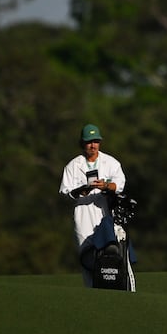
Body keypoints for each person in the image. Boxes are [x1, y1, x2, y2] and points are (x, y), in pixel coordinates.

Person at [59, 123, 128, 288]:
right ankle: (91, 290)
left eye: (96, 141)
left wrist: (105, 186)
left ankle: (114, 286)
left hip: (105, 213)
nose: (93, 145)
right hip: (82, 214)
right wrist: (81, 190)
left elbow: (120, 184)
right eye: (89, 141)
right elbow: (65, 192)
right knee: (86, 255)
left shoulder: (110, 162)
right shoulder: (73, 166)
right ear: (83, 143)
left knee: (110, 252)